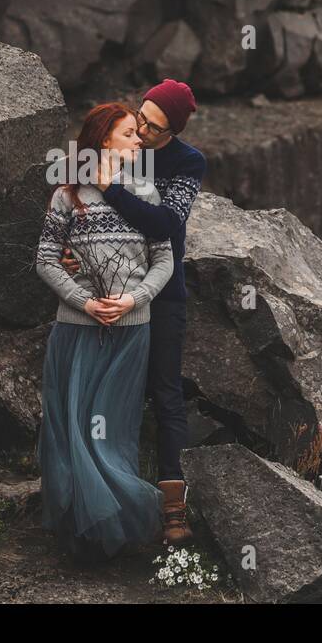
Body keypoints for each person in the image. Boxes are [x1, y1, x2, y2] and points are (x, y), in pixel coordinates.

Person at [62, 79, 205, 545]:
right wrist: (71, 253)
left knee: (165, 394)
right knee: (97, 394)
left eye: (154, 127)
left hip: (161, 293)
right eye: (140, 118)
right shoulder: (119, 140)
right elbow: (73, 206)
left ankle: (171, 507)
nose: (141, 131)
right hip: (100, 292)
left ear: (173, 132)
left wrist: (115, 190)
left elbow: (165, 223)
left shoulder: (187, 163)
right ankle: (95, 501)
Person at [34, 103, 175, 560]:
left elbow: (165, 260)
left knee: (112, 433)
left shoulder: (147, 193)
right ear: (103, 139)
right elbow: (46, 259)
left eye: (139, 134)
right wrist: (85, 302)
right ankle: (80, 536)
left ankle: (117, 527)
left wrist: (134, 300)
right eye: (130, 133)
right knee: (70, 431)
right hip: (76, 329)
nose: (139, 141)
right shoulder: (67, 195)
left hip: (131, 330)